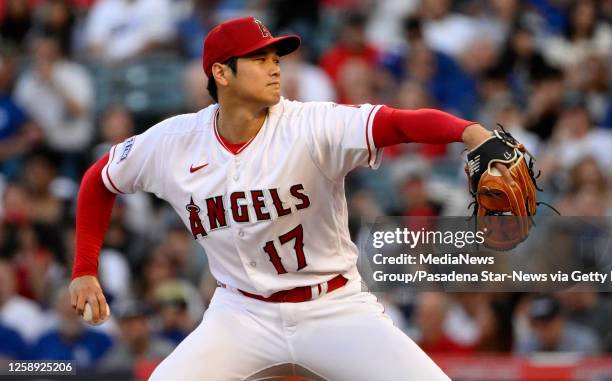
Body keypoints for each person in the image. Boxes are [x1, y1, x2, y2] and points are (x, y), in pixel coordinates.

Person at [69, 17, 515, 380]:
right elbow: (98, 180)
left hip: (334, 308)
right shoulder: (173, 142)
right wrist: (85, 269)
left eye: (275, 57)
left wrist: (470, 132)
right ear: (221, 74)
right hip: (241, 313)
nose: (275, 67)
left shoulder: (309, 124)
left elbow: (396, 123)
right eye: (259, 59)